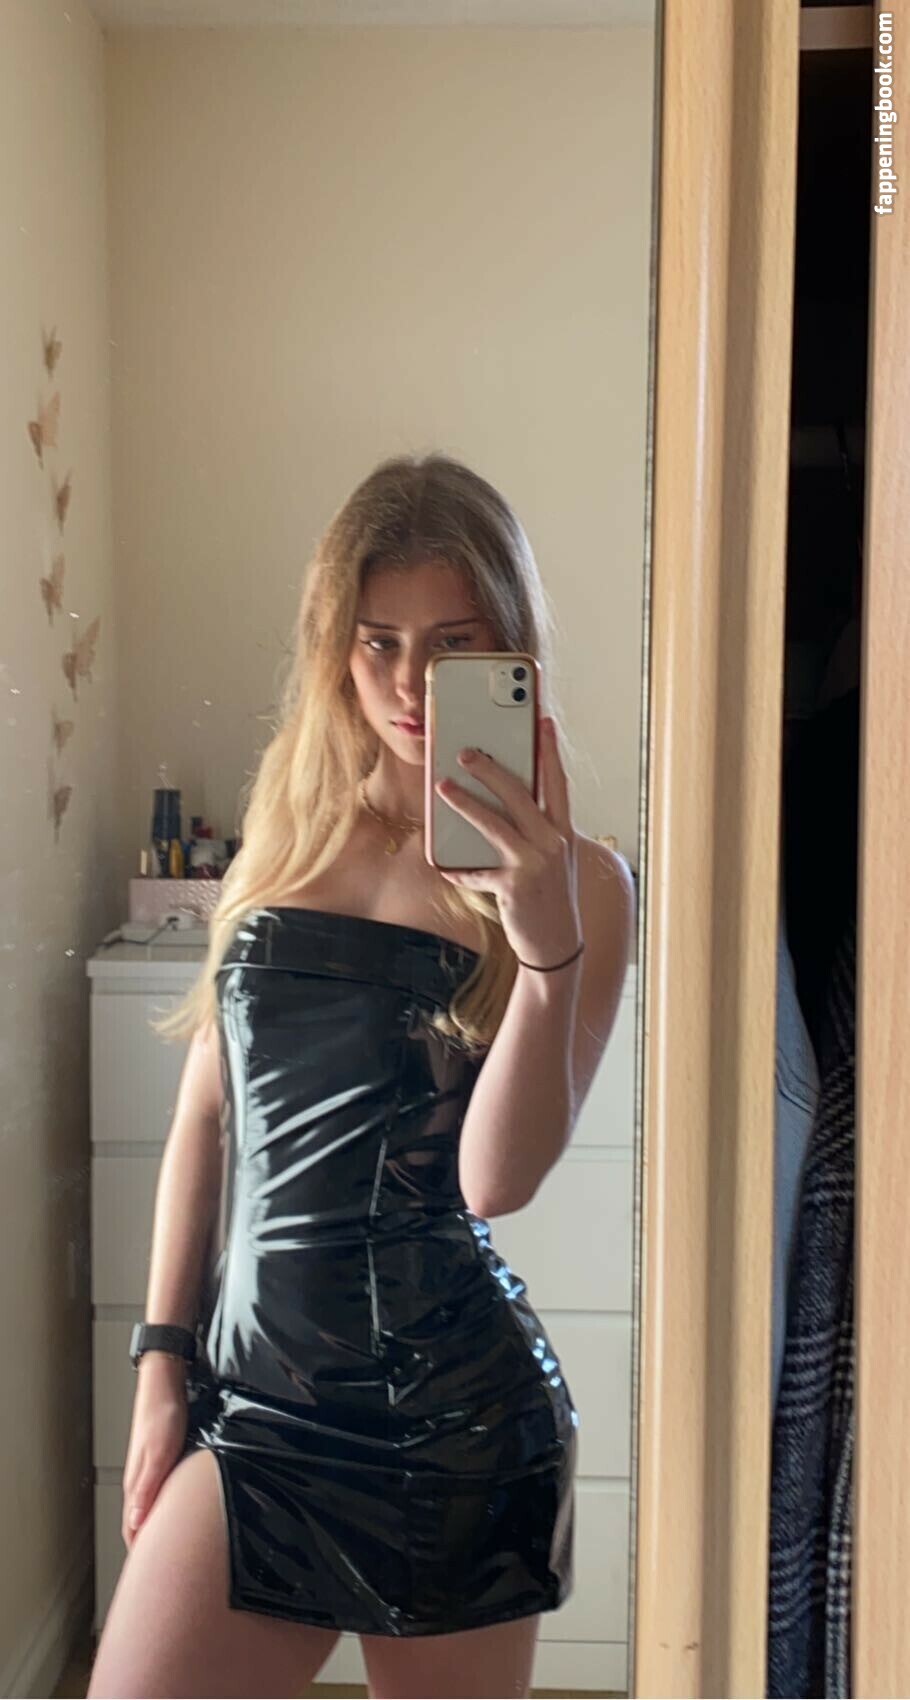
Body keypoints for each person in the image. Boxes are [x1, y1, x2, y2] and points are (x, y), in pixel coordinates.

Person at [88, 453, 634, 1700]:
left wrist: (543, 946)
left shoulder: (583, 882)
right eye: (377, 640)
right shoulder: (290, 826)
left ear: (507, 647)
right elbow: (207, 1117)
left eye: (450, 644)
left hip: (454, 1428)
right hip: (254, 1416)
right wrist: (161, 1365)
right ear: (335, 643)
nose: (405, 682)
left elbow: (495, 1182)